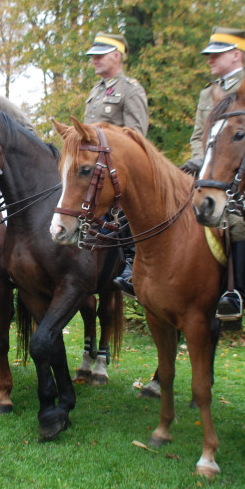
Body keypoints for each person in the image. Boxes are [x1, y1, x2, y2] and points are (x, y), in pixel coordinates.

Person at [184, 28, 245, 322]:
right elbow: (199, 134)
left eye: (217, 53)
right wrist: (200, 162)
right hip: (208, 171)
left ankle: (236, 292)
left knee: (238, 218)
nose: (210, 58)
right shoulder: (206, 92)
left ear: (237, 54)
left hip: (242, 174)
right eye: (209, 54)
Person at [83, 32, 149, 296]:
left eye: (100, 55)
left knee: (127, 208)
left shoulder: (130, 89)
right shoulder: (96, 91)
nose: (94, 61)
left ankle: (132, 262)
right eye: (93, 56)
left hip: (118, 167)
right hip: (93, 169)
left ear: (116, 56)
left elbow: (136, 133)